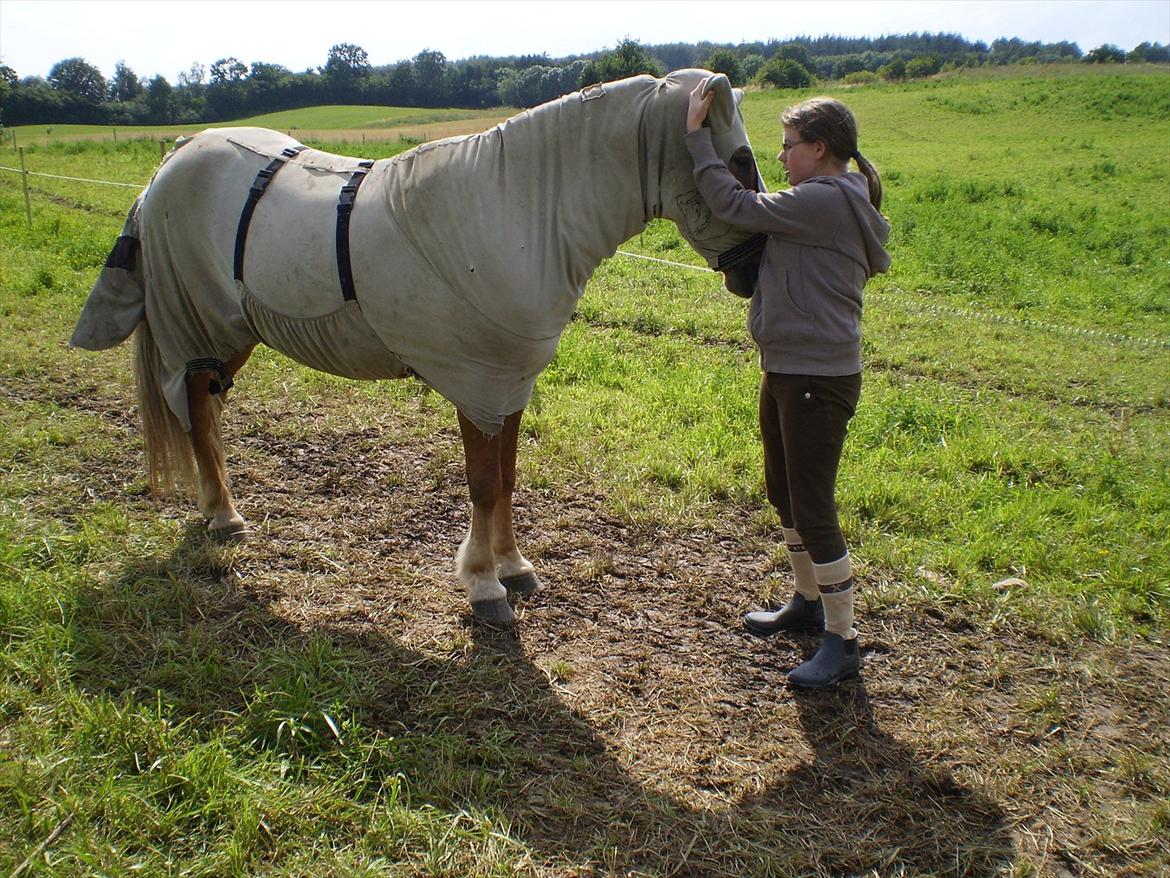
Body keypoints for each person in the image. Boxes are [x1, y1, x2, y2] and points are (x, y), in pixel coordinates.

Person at [685, 85, 891, 688]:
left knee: (815, 507)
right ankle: (806, 602)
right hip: (788, 368)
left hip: (815, 378)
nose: (780, 157)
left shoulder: (825, 199)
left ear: (820, 149)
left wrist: (698, 138)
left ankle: (842, 639)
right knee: (785, 492)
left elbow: (735, 206)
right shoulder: (820, 196)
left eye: (788, 146)